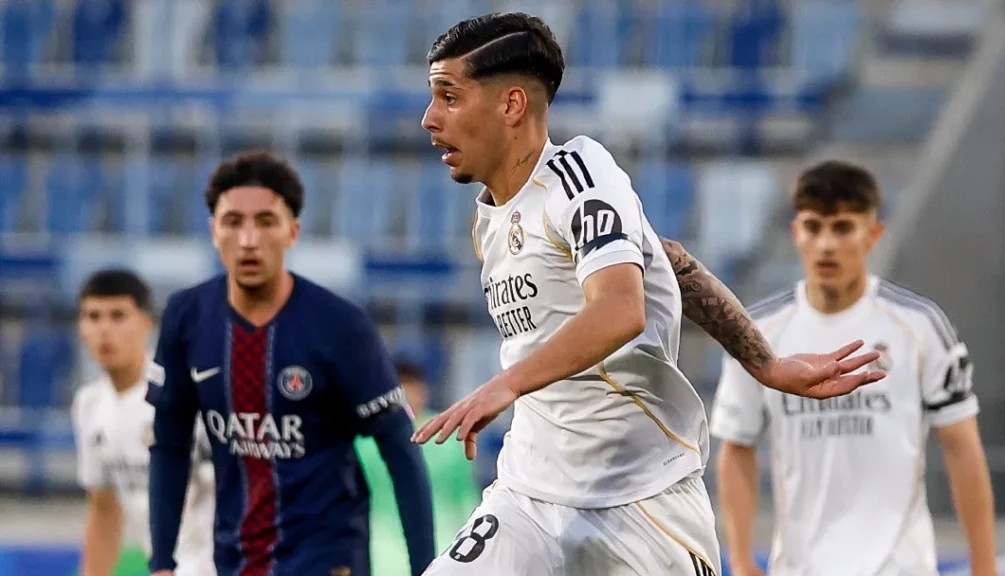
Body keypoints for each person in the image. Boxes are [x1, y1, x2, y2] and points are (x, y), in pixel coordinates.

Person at [412, 12, 886, 576]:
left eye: (449, 96)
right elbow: (672, 262)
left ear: (512, 105)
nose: (429, 119)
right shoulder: (489, 222)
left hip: (644, 496)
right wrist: (766, 363)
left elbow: (620, 308)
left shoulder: (580, 174)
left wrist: (506, 384)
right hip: (530, 494)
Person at [145, 151, 435, 576]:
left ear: (292, 231)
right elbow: (169, 445)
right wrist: (161, 562)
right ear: (213, 231)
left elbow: (399, 449)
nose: (248, 240)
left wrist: (425, 568)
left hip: (329, 558)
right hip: (235, 559)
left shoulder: (341, 325)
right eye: (233, 222)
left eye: (265, 222)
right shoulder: (186, 317)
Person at [710, 160, 997, 576]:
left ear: (873, 234)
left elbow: (962, 446)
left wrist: (985, 566)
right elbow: (736, 449)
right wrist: (739, 559)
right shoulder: (756, 333)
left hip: (902, 567)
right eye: (813, 226)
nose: (826, 244)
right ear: (796, 233)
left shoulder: (920, 326)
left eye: (842, 227)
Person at [71, 269, 215, 576]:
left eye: (118, 316)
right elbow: (104, 508)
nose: (104, 329)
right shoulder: (89, 405)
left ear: (146, 322)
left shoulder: (183, 395)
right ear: (80, 327)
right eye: (93, 317)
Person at [356, 360, 481, 576]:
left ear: (425, 390)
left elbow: (465, 498)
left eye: (413, 389)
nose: (408, 397)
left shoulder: (450, 435)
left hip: (444, 548)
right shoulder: (364, 441)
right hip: (381, 552)